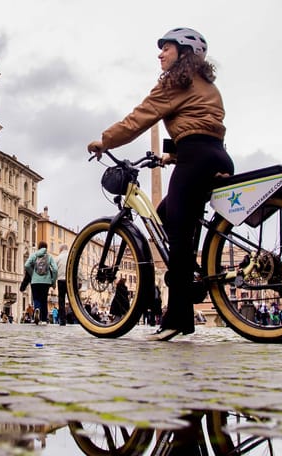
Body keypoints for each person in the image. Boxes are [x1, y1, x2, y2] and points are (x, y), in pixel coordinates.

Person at [88, 28, 233, 342]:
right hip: (215, 156)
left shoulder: (174, 82)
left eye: (166, 48)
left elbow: (140, 117)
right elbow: (202, 123)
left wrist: (104, 140)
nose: (160, 54)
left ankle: (177, 318)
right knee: (168, 217)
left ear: (182, 53)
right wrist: (171, 157)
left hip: (195, 159)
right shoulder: (205, 83)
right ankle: (192, 277)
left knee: (178, 239)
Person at [22, 241, 57, 325]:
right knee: (44, 300)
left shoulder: (34, 255)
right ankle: (44, 320)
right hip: (46, 281)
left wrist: (32, 273)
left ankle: (37, 309)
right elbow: (55, 269)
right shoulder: (49, 257)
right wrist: (53, 280)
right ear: (46, 248)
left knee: (36, 298)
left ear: (38, 247)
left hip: (35, 281)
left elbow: (26, 265)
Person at [55, 243, 69, 326]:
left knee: (61, 300)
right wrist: (81, 279)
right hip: (69, 281)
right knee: (72, 301)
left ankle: (62, 320)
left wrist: (53, 280)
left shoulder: (58, 258)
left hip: (60, 280)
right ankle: (76, 318)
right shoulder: (71, 255)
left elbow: (53, 269)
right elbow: (78, 268)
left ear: (60, 250)